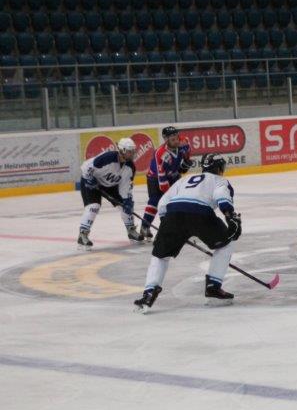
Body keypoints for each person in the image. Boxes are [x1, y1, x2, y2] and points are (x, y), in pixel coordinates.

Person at [133, 153, 242, 313]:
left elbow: (163, 203)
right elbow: (221, 196)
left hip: (173, 215)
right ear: (219, 168)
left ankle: (149, 293)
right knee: (227, 242)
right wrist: (230, 216)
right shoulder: (219, 180)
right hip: (201, 214)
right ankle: (213, 287)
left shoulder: (184, 179)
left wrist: (168, 226)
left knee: (160, 255)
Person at [78, 137, 143, 248]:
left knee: (125, 205)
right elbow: (86, 166)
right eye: (130, 151)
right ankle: (83, 234)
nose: (132, 153)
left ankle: (131, 230)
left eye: (133, 151)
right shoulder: (107, 158)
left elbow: (125, 186)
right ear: (122, 150)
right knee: (94, 206)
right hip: (92, 183)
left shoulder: (130, 167)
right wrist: (89, 178)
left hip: (110, 186)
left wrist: (126, 200)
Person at [140, 126, 192, 241]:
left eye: (176, 137)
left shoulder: (184, 143)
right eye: (172, 138)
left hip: (173, 175)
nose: (176, 140)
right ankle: (145, 226)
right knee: (155, 201)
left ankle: (179, 227)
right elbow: (162, 180)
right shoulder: (161, 153)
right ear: (166, 139)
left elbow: (185, 161)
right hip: (155, 178)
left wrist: (185, 165)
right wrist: (168, 196)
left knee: (181, 199)